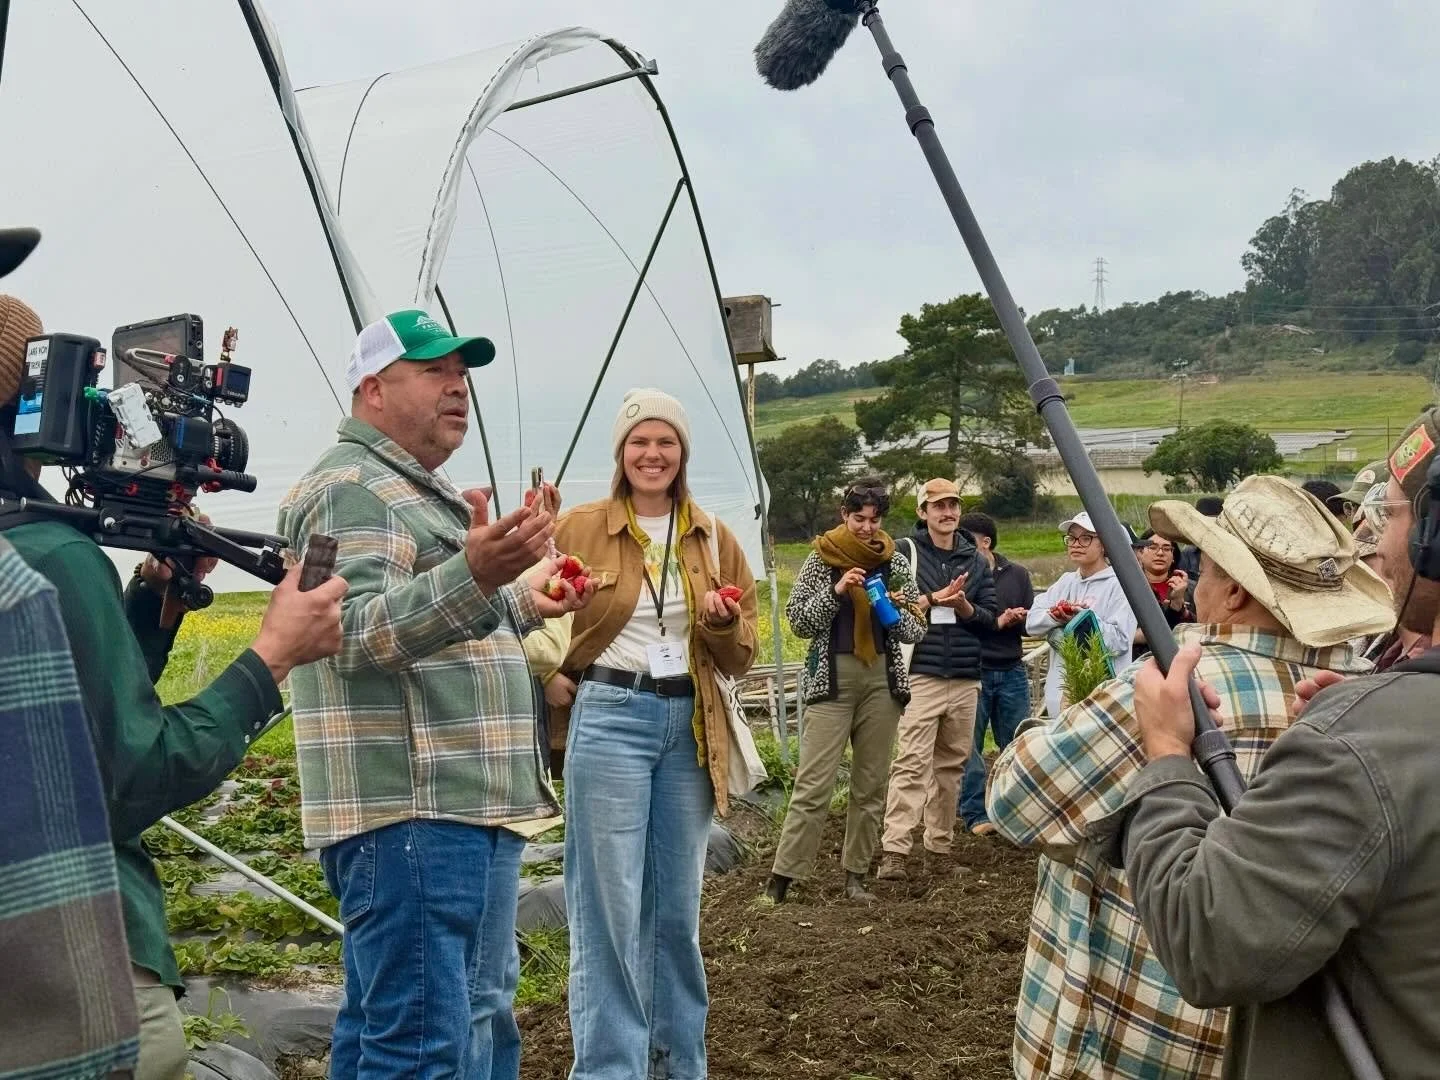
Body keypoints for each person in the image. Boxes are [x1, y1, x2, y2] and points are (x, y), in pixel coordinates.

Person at [1, 294, 348, 1080]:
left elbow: (51, 717)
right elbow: (128, 778)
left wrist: (147, 616)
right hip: (68, 972)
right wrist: (271, 658)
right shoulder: (53, 559)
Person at [986, 475, 1391, 1080]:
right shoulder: (1368, 700)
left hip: (1135, 1038)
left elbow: (1015, 801)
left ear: (1231, 594)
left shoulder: (1167, 693)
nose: (1194, 578)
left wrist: (1061, 722)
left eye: (1206, 567)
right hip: (1271, 1046)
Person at [276, 309, 591, 1080]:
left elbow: (430, 624)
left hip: (456, 807)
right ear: (374, 388)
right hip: (411, 812)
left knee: (431, 1027)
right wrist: (478, 574)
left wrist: (519, 598)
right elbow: (344, 634)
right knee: (420, 1049)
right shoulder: (352, 490)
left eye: (463, 372)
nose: (459, 387)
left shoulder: (410, 490)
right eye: (435, 372)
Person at [1121, 409, 1440, 1079]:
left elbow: (1207, 940)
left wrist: (1169, 756)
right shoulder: (1365, 733)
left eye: (1395, 515)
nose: (1378, 544)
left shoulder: (1362, 744)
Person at [539, 388, 756, 1079]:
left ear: (682, 453)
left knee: (674, 911)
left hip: (690, 724)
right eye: (639, 442)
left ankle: (676, 1064)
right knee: (607, 907)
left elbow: (743, 654)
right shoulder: (579, 527)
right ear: (621, 453)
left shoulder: (714, 536)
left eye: (665, 442)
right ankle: (609, 1069)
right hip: (609, 718)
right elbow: (525, 608)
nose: (652, 454)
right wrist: (548, 678)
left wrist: (721, 621)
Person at [767, 479, 927, 904]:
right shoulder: (822, 558)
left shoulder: (894, 564)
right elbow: (799, 622)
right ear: (844, 515)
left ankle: (856, 876)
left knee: (871, 784)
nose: (867, 528)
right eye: (859, 518)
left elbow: (915, 628)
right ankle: (783, 876)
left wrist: (889, 609)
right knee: (813, 782)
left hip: (882, 681)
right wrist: (836, 593)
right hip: (832, 680)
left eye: (874, 520)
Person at [875, 478, 997, 879]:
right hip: (922, 671)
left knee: (951, 767)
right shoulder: (904, 554)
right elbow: (889, 603)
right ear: (922, 512)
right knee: (911, 762)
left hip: (964, 675)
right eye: (938, 506)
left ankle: (939, 849)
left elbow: (989, 618)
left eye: (953, 505)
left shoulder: (976, 560)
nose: (947, 513)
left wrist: (963, 606)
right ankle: (895, 850)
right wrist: (932, 599)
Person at [955, 511, 1034, 837]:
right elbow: (954, 623)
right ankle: (975, 813)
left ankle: (1018, 810)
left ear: (985, 542)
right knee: (968, 748)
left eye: (967, 540)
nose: (960, 546)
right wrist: (993, 620)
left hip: (1012, 668)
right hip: (974, 670)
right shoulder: (960, 575)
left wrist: (1020, 618)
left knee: (1017, 744)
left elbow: (1033, 624)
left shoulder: (1017, 574)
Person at [1026, 510, 1138, 718]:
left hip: (1103, 697)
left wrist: (1080, 620)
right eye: (1071, 538)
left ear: (1105, 544)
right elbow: (1032, 622)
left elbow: (1121, 640)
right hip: (1059, 694)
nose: (1076, 543)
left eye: (1086, 538)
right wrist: (1055, 616)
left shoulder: (1121, 585)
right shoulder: (1066, 582)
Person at [1131, 527, 1195, 661]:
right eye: (1153, 547)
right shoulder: (1127, 586)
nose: (1160, 553)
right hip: (1137, 663)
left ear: (1173, 557)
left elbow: (1200, 626)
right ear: (1140, 552)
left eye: (1167, 548)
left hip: (1181, 659)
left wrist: (1179, 606)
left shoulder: (1191, 588)